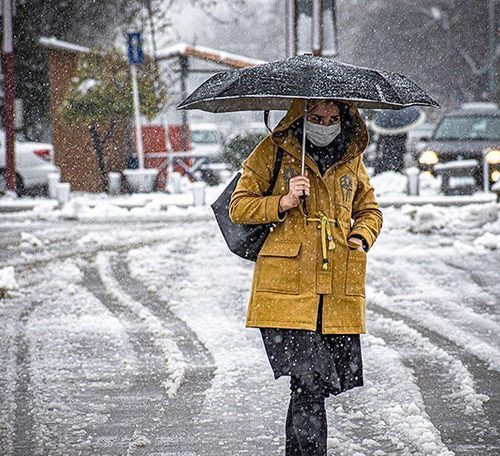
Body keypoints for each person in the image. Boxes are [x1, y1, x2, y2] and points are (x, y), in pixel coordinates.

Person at [229, 98, 383, 456]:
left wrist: (360, 237)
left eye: (332, 118)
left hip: (335, 295)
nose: (324, 124)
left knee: (310, 386)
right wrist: (282, 202)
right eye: (315, 117)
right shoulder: (274, 151)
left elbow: (370, 211)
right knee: (309, 383)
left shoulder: (350, 159)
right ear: (301, 117)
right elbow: (238, 206)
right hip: (287, 292)